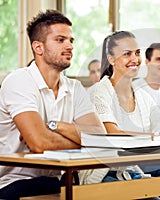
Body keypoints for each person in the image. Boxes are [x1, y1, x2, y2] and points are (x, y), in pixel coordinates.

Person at [0, 10, 106, 200]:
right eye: (60, 40)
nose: (69, 46)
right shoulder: (19, 80)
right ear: (38, 47)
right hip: (14, 184)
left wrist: (54, 127)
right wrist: (81, 140)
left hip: (60, 181)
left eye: (71, 40)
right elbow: (40, 143)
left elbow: (100, 138)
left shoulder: (75, 87)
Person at [90, 31, 160, 200]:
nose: (134, 59)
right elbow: (114, 135)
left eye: (136, 53)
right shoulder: (99, 92)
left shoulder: (143, 96)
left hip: (133, 172)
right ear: (112, 59)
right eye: (127, 54)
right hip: (104, 174)